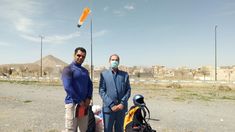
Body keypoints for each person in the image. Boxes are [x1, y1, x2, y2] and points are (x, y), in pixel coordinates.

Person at [61, 47, 93, 132]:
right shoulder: (68, 69)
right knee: (71, 129)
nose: (81, 58)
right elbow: (68, 87)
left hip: (84, 105)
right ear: (74, 55)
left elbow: (90, 84)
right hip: (72, 104)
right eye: (78, 55)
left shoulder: (85, 71)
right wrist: (79, 101)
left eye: (83, 56)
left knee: (83, 129)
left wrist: (88, 98)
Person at [99, 54, 131, 132]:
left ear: (118, 62)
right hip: (109, 109)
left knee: (119, 130)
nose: (114, 61)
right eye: (113, 60)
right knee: (107, 129)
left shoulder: (124, 75)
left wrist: (122, 103)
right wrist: (111, 104)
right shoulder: (104, 74)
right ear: (109, 61)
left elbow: (128, 90)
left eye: (116, 60)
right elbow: (101, 90)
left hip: (121, 109)